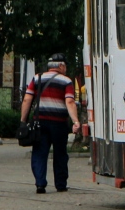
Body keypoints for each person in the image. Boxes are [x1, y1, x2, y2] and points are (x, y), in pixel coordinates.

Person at [20, 55, 81, 193]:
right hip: (59, 124)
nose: (66, 68)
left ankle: (40, 184)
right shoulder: (66, 81)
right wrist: (75, 121)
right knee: (60, 154)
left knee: (40, 153)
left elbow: (27, 100)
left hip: (40, 123)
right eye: (65, 66)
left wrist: (23, 121)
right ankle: (60, 184)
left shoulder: (37, 78)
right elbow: (70, 102)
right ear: (60, 66)